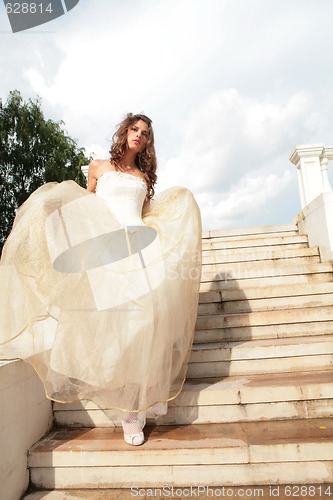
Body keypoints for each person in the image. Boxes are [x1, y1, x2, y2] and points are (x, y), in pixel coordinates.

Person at [0, 113, 202, 446]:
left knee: (143, 323)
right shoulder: (98, 167)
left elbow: (146, 212)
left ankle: (132, 411)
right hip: (106, 251)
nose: (140, 135)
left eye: (146, 133)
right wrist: (52, 208)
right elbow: (86, 203)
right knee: (112, 329)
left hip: (140, 248)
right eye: (135, 129)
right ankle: (127, 404)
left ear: (149, 142)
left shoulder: (142, 175)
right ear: (124, 133)